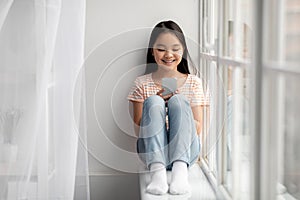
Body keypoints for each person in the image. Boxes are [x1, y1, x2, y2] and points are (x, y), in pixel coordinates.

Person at [128, 20, 207, 195]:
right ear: (152, 51)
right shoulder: (141, 83)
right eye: (161, 49)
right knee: (153, 102)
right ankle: (158, 173)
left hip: (186, 153)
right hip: (151, 152)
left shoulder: (194, 82)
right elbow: (138, 128)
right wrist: (155, 104)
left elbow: (199, 127)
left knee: (178, 101)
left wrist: (180, 107)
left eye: (175, 49)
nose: (168, 54)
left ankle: (180, 173)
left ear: (183, 50)